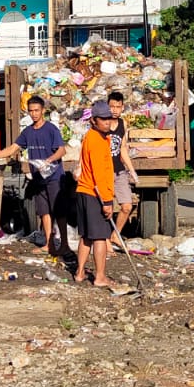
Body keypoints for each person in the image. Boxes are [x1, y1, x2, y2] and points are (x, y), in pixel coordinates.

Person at [0, 96, 68, 254]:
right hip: (38, 178)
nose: (34, 114)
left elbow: (62, 150)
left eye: (37, 110)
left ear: (43, 111)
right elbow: (13, 148)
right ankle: (49, 243)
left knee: (58, 210)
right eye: (31, 111)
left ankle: (64, 244)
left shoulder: (51, 129)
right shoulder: (27, 132)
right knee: (44, 211)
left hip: (54, 176)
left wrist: (49, 160)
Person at [73, 101, 120, 288]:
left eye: (109, 118)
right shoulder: (97, 141)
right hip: (94, 193)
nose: (108, 122)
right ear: (94, 120)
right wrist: (107, 202)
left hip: (84, 191)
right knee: (100, 236)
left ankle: (79, 272)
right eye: (104, 119)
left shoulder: (92, 137)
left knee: (86, 236)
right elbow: (100, 174)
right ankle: (100, 276)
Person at [106, 92, 139, 251]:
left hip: (119, 171)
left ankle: (115, 235)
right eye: (112, 106)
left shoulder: (122, 124)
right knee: (106, 209)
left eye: (118, 107)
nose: (114, 110)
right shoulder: (102, 124)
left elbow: (123, 149)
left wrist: (131, 170)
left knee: (126, 206)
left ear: (122, 107)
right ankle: (105, 241)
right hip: (104, 172)